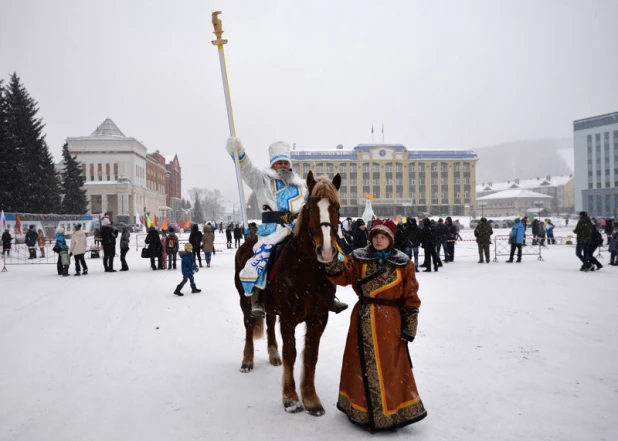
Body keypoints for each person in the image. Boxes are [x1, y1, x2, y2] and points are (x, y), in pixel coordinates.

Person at [323, 218, 427, 432]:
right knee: (359, 363)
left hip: (391, 321)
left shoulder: (404, 263)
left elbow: (411, 296)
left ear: (390, 239)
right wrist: (330, 258)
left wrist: (409, 326)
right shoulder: (358, 258)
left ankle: (392, 410)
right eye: (375, 237)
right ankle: (360, 408)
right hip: (363, 318)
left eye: (383, 237)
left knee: (391, 366)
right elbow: (342, 277)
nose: (379, 240)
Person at [225, 136, 346, 317]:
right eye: (278, 162)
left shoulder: (301, 187)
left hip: (295, 228)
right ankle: (257, 298)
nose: (282, 165)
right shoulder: (262, 180)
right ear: (273, 165)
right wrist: (238, 152)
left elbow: (311, 207)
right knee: (262, 257)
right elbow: (247, 170)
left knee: (327, 253)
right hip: (272, 230)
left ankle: (328, 295)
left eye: (285, 162)